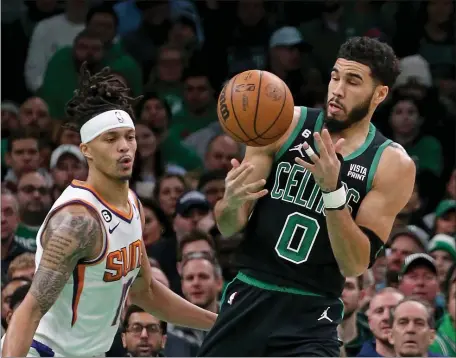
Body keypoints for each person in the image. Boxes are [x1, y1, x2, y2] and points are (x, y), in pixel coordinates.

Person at [198, 36, 416, 356]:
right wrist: (230, 203)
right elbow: (229, 226)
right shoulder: (282, 123)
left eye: (353, 81)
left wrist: (332, 192)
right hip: (251, 291)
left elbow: (355, 264)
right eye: (335, 77)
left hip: (313, 313)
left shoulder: (390, 163)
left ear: (379, 93)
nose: (338, 89)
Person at [1, 63, 217, 357]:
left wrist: (219, 323)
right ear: (86, 149)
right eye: (111, 138)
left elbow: (146, 291)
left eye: (129, 136)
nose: (124, 147)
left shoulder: (132, 204)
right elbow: (29, 311)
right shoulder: (77, 222)